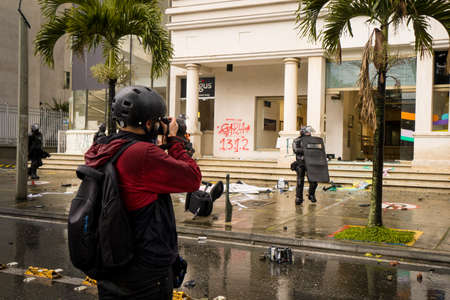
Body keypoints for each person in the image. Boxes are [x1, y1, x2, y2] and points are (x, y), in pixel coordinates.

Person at [84, 86, 202, 300]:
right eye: (157, 120)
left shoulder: (106, 146)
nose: (160, 125)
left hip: (113, 261)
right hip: (144, 272)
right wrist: (175, 140)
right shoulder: (143, 154)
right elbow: (193, 178)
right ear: (148, 123)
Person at [291, 125, 329, 205]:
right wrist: (306, 149)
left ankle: (311, 194)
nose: (309, 133)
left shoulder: (314, 140)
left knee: (314, 180)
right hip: (301, 162)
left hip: (312, 162)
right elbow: (295, 150)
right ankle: (299, 197)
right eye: (308, 132)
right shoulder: (297, 140)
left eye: (309, 132)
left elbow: (318, 149)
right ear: (303, 132)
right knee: (300, 181)